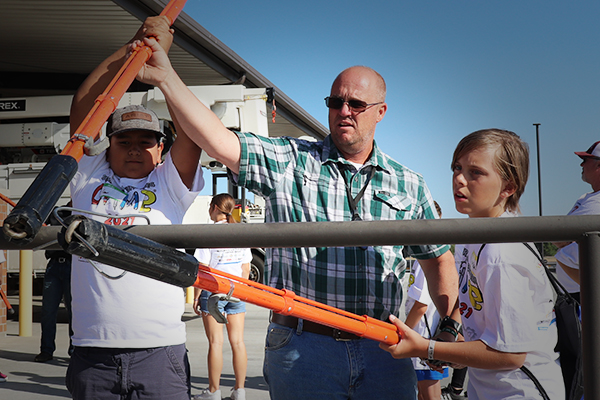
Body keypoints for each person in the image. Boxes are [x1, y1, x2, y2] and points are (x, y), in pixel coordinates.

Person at [132, 27, 460, 400]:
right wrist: (166, 76)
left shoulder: (408, 184)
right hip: (304, 350)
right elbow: (217, 140)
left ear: (381, 112)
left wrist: (448, 326)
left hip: (383, 350)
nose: (344, 111)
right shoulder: (290, 160)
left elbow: (439, 261)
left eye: (356, 104)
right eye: (335, 102)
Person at [65, 17, 204, 400]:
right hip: (92, 351)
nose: (134, 148)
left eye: (147, 141)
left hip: (160, 351)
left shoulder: (170, 183)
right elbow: (83, 105)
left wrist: (164, 70)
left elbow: (192, 135)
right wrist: (133, 46)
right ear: (108, 144)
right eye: (124, 139)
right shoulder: (88, 174)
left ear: (161, 149)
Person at [381, 129, 564, 399]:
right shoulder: (474, 235)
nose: (459, 179)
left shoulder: (502, 252)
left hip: (521, 391)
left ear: (509, 187)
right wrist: (448, 331)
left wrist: (427, 348)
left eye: (475, 172)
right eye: (457, 167)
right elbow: (469, 296)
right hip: (491, 388)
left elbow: (510, 354)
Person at [192, 194, 251, 400]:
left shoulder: (209, 233)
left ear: (215, 208)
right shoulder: (239, 232)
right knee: (238, 342)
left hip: (213, 291)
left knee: (216, 343)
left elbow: (203, 269)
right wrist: (242, 291)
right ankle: (240, 390)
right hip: (237, 291)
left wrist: (197, 296)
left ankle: (214, 391)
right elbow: (246, 268)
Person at [404, 201, 451, 400]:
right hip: (422, 339)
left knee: (431, 395)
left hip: (423, 338)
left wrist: (401, 331)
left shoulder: (428, 261)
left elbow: (420, 306)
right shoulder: (420, 260)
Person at [553, 141, 600, 302]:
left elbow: (561, 240)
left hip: (584, 296)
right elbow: (560, 237)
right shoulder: (587, 197)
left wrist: (564, 247)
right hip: (577, 293)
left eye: (586, 160)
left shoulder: (597, 202)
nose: (581, 164)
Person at [35, 206, 74, 363]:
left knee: (74, 313)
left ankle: (74, 351)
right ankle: (46, 350)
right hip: (54, 265)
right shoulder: (57, 212)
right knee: (48, 312)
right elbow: (38, 220)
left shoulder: (83, 212)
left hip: (73, 265)